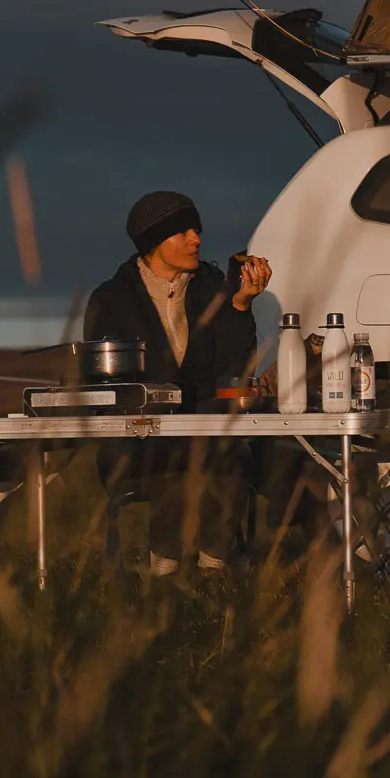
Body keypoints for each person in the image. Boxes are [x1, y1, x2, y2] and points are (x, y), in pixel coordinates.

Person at [86, 190, 272, 576]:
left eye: (197, 230)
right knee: (173, 458)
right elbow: (100, 386)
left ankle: (213, 567)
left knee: (232, 455)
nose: (196, 239)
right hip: (135, 441)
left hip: (207, 433)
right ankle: (165, 569)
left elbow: (236, 371)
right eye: (183, 232)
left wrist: (240, 306)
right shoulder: (112, 299)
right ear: (154, 241)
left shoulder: (213, 290)